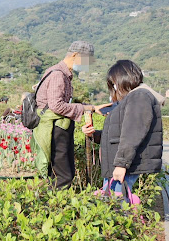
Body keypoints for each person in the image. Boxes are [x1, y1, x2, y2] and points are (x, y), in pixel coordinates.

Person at [82, 60, 165, 199]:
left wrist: (121, 165)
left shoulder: (139, 96)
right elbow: (118, 134)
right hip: (119, 165)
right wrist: (94, 135)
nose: (114, 88)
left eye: (114, 83)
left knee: (119, 206)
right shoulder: (133, 98)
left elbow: (132, 134)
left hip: (124, 166)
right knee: (115, 204)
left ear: (123, 78)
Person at [32, 41, 108, 189]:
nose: (86, 65)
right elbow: (56, 105)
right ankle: (56, 208)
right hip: (54, 130)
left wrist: (91, 108)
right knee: (62, 176)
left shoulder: (63, 73)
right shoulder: (58, 75)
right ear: (75, 55)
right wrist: (88, 108)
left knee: (63, 173)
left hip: (58, 128)